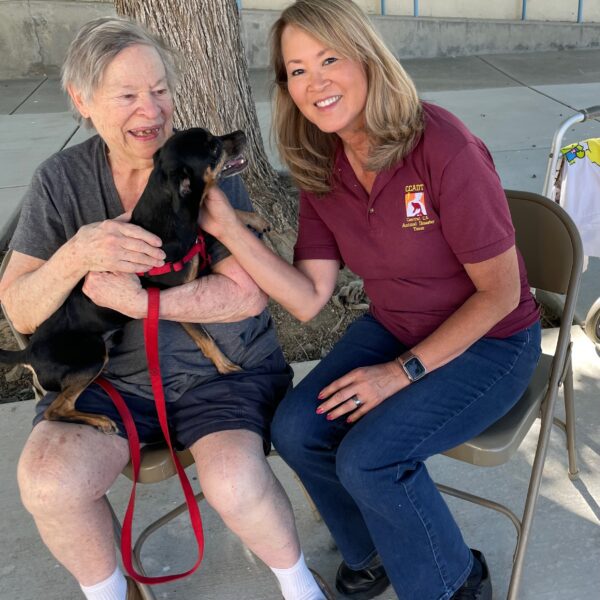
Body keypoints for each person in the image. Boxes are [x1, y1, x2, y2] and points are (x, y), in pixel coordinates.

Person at [199, 1, 542, 599]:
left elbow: (501, 291)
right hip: (396, 325)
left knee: (369, 460)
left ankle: (453, 580)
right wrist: (228, 230)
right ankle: (377, 550)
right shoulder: (320, 162)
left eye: (329, 58)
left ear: (366, 58)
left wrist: (398, 375)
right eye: (297, 69)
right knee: (298, 428)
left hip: (492, 342)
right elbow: (308, 298)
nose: (315, 82)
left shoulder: (444, 147)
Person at [0, 17, 332, 600]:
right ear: (82, 100)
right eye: (127, 95)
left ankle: (299, 585)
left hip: (219, 373)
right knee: (49, 481)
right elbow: (20, 310)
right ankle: (110, 593)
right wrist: (76, 253)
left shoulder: (198, 168)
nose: (151, 110)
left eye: (159, 90)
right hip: (111, 382)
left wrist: (142, 301)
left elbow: (246, 295)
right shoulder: (60, 181)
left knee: (232, 478)